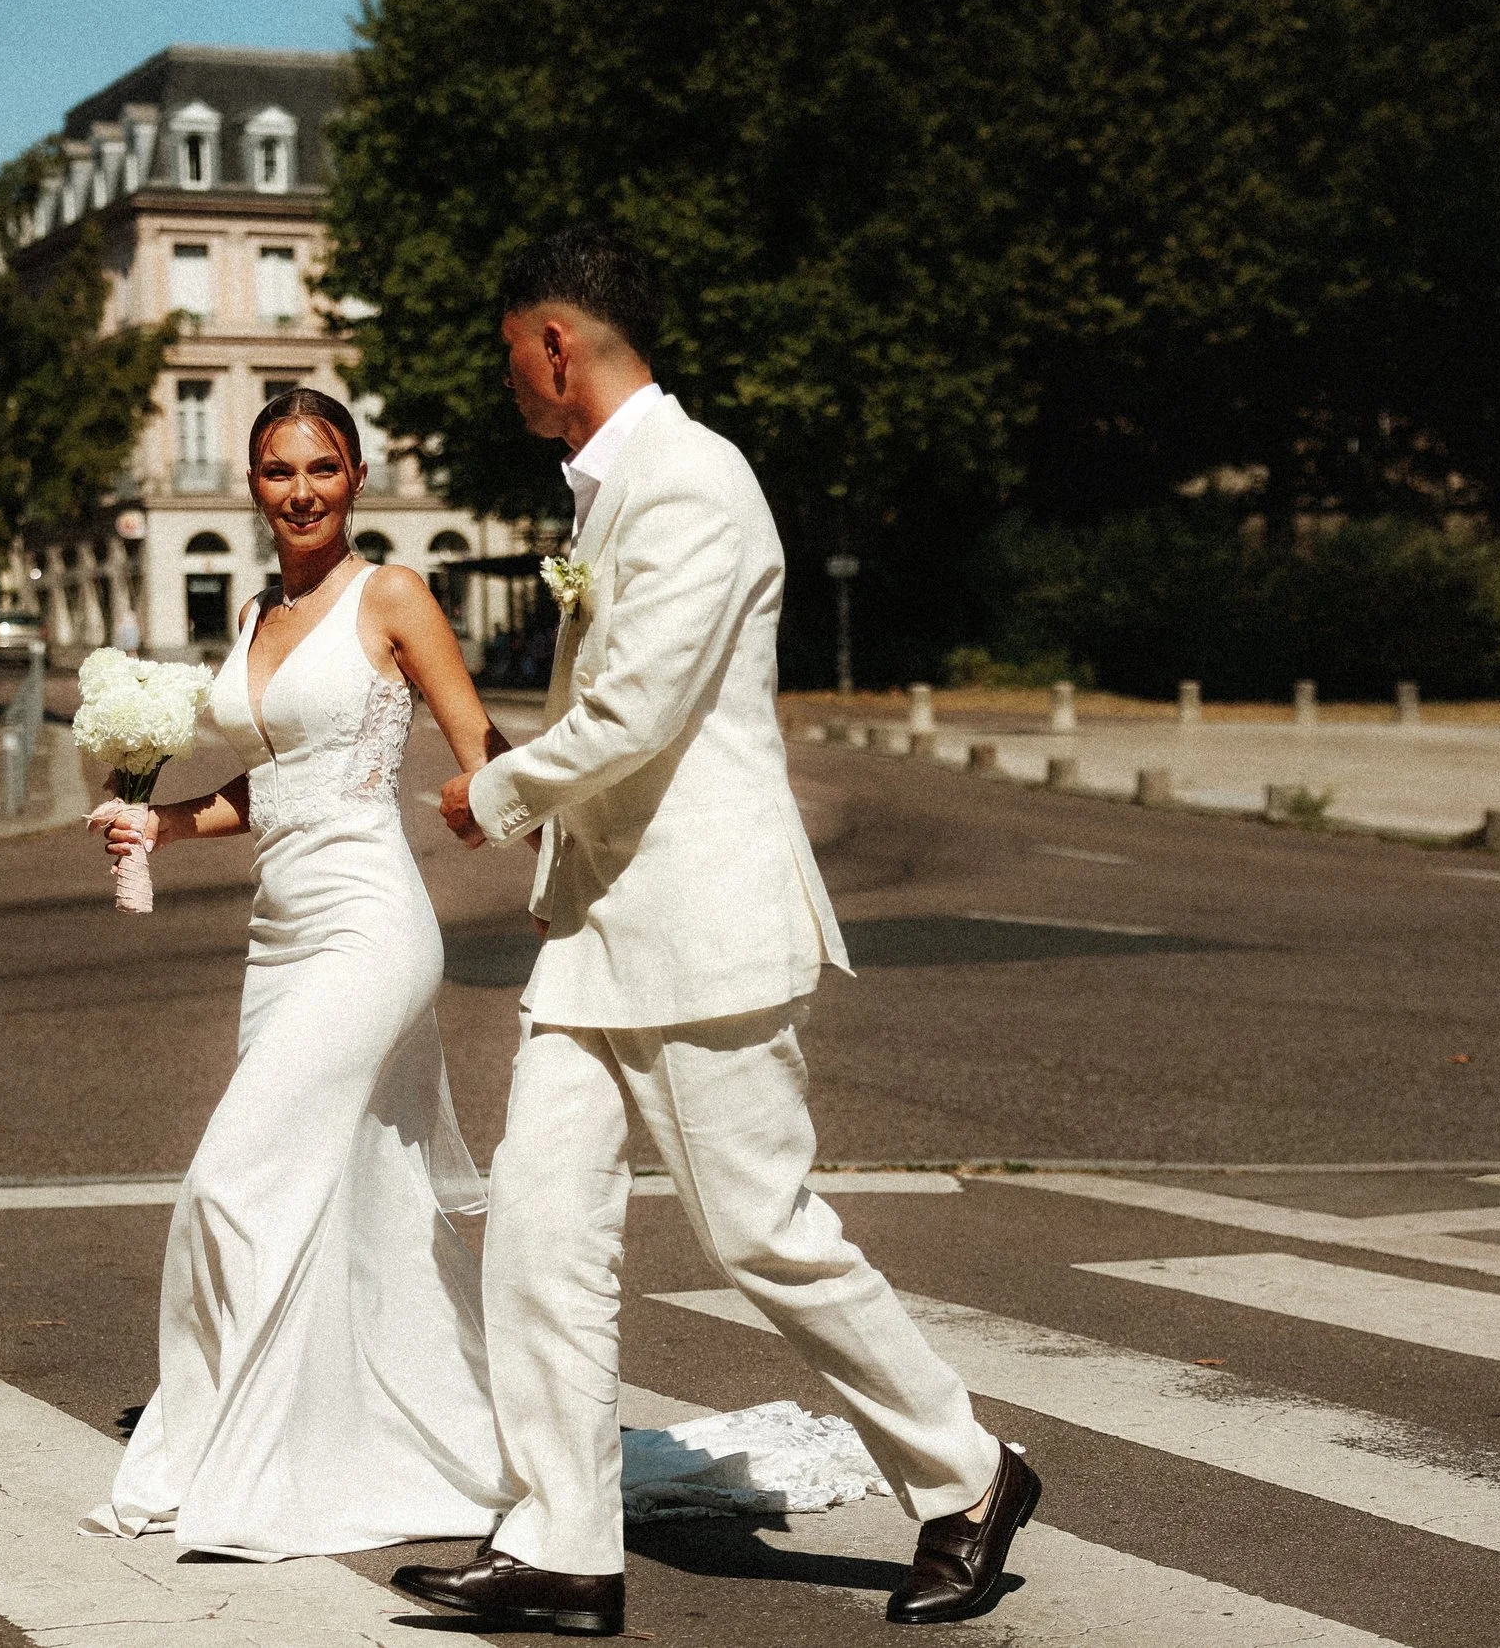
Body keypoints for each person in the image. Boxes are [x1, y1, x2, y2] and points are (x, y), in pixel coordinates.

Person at [402, 227, 1041, 1637]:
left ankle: (968, 1470)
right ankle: (565, 1541)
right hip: (599, 936)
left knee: (763, 1230)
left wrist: (492, 793)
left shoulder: (694, 483)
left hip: (699, 926)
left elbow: (636, 711)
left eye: (511, 345)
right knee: (538, 1228)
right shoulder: (616, 488)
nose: (505, 371)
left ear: (556, 343)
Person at [80, 387, 518, 1559]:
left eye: (321, 466)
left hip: (373, 930)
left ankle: (247, 1452)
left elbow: (481, 748)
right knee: (345, 1196)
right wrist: (157, 824)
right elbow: (265, 787)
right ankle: (356, 1436)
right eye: (279, 472)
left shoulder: (392, 595)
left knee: (234, 1179)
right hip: (278, 943)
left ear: (358, 473)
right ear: (255, 486)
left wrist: (512, 810)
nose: (302, 489)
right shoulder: (261, 616)